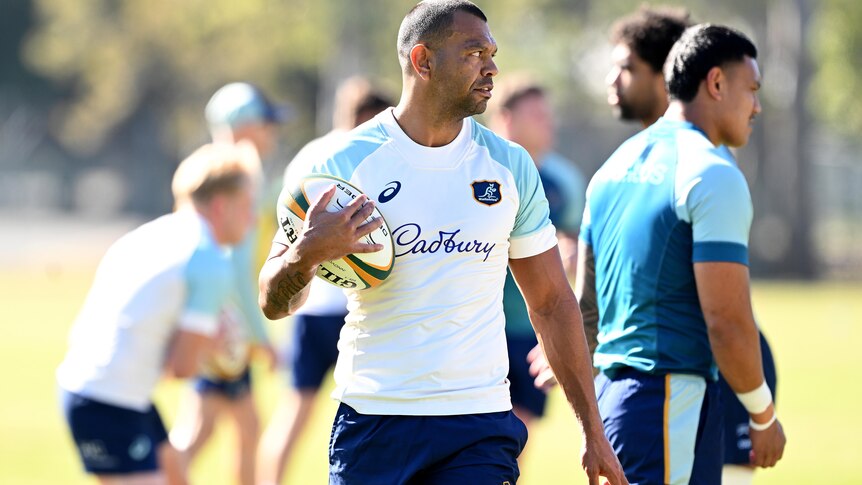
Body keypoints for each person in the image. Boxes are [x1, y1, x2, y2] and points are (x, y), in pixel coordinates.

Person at [258, 2, 627, 484]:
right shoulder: (342, 164)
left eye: (493, 53)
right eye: (474, 52)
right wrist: (306, 255)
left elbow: (554, 302)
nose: (492, 67)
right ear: (422, 61)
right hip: (374, 418)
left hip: (479, 423)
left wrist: (592, 430)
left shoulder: (510, 167)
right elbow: (272, 300)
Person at [575, 24, 787, 484]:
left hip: (614, 401)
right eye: (751, 89)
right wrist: (763, 416)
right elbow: (727, 322)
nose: (757, 105)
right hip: (671, 401)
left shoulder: (610, 169)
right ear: (715, 83)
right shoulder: (711, 173)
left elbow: (585, 310)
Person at [57, 143, 261, 485]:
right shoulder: (210, 260)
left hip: (108, 391)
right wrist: (211, 346)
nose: (253, 219)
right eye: (247, 207)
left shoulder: (149, 233)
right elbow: (181, 369)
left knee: (177, 476)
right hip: (107, 401)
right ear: (221, 205)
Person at [256, 76, 393, 485]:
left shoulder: (307, 156)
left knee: (293, 414)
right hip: (346, 307)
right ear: (367, 116)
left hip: (306, 304)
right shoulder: (363, 157)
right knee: (373, 417)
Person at [169, 82, 284, 485]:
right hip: (222, 327)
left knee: (244, 427)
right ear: (246, 124)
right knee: (196, 434)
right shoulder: (240, 174)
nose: (272, 132)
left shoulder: (206, 164)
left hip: (213, 319)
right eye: (267, 123)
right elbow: (233, 271)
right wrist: (261, 337)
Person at [484, 77, 585, 456]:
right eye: (537, 115)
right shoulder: (481, 169)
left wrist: (570, 252)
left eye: (549, 114)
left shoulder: (565, 179)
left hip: (535, 331)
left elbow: (572, 239)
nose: (549, 122)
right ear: (506, 118)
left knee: (517, 443)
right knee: (479, 444)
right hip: (482, 328)